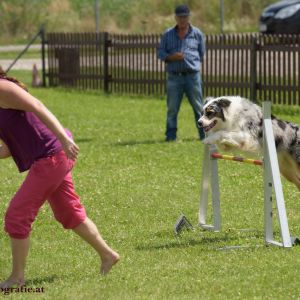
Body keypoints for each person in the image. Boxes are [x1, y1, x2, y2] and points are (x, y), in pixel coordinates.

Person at [0, 72, 120, 288]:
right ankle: (108, 255)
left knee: (17, 215)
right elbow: (8, 147)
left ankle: (17, 278)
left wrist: (64, 140)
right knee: (68, 212)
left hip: (52, 156)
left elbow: (38, 105)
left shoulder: (2, 88)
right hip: (52, 155)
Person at [158, 4, 206, 142]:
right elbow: (161, 53)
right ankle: (171, 136)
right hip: (174, 77)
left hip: (192, 77)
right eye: (180, 17)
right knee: (172, 109)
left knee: (198, 108)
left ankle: (203, 135)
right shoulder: (167, 34)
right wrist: (172, 57)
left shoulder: (197, 33)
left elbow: (201, 54)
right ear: (175, 18)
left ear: (189, 17)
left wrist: (192, 64)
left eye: (185, 17)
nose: (182, 19)